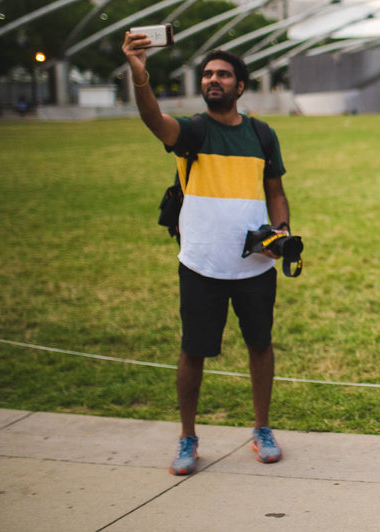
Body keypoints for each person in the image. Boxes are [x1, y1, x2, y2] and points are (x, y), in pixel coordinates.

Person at [122, 34, 291, 476]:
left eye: (223, 74)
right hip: (201, 264)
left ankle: (262, 428)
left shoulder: (261, 134)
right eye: (208, 74)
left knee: (260, 345)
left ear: (240, 87)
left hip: (255, 264)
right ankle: (188, 436)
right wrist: (140, 74)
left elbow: (276, 191)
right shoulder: (193, 130)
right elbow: (153, 119)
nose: (213, 79)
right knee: (193, 351)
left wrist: (282, 232)